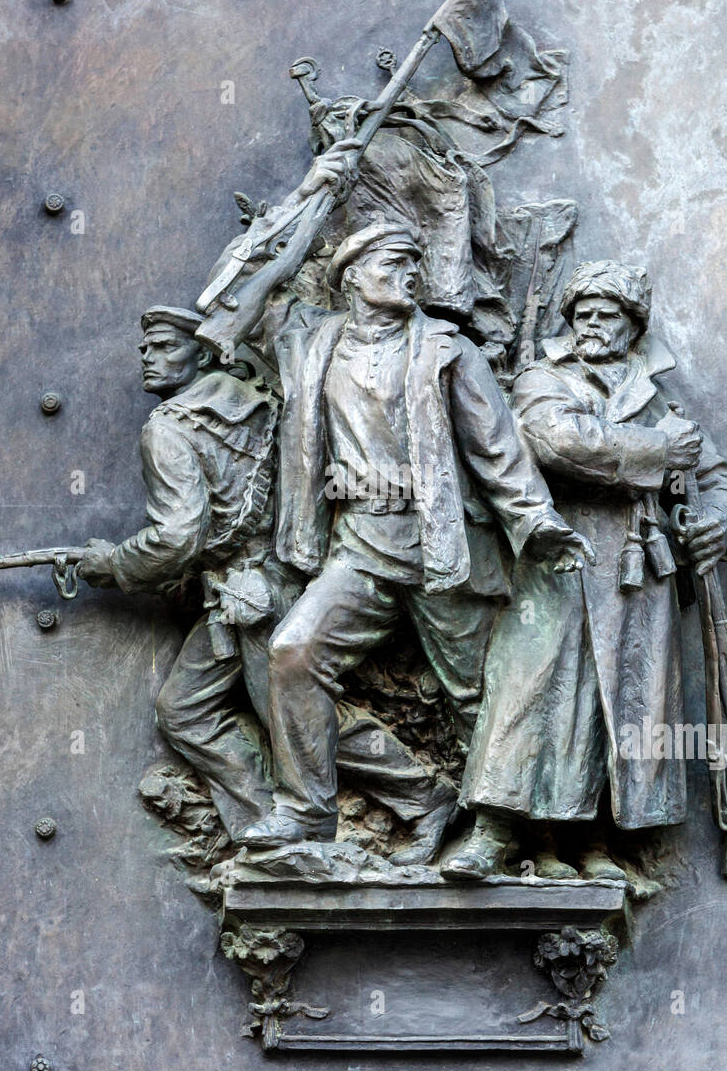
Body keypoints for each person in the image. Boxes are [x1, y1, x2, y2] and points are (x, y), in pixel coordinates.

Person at [234, 222, 594, 850]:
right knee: (294, 653)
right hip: (358, 545)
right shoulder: (309, 343)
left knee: (475, 694)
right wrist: (319, 190)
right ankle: (306, 811)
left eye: (416, 263)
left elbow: (498, 451)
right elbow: (236, 297)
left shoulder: (448, 350)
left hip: (442, 545)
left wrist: (536, 521)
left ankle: (507, 831)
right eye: (395, 262)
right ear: (351, 274)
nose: (411, 274)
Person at [79, 306, 453, 860]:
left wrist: (114, 564)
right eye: (145, 348)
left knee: (297, 712)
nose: (147, 357)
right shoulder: (261, 402)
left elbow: (178, 536)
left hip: (249, 595)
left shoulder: (168, 429)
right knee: (185, 709)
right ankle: (263, 817)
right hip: (270, 578)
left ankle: (422, 797)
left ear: (205, 353)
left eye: (162, 346)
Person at [445, 261, 727, 879]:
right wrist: (660, 452)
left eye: (607, 314)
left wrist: (717, 516)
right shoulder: (543, 377)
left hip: (640, 576)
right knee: (535, 692)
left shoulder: (659, 395)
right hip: (563, 558)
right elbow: (556, 441)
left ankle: (592, 842)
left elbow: (717, 477)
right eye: (582, 313)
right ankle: (494, 831)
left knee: (626, 707)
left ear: (633, 327)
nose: (591, 324)